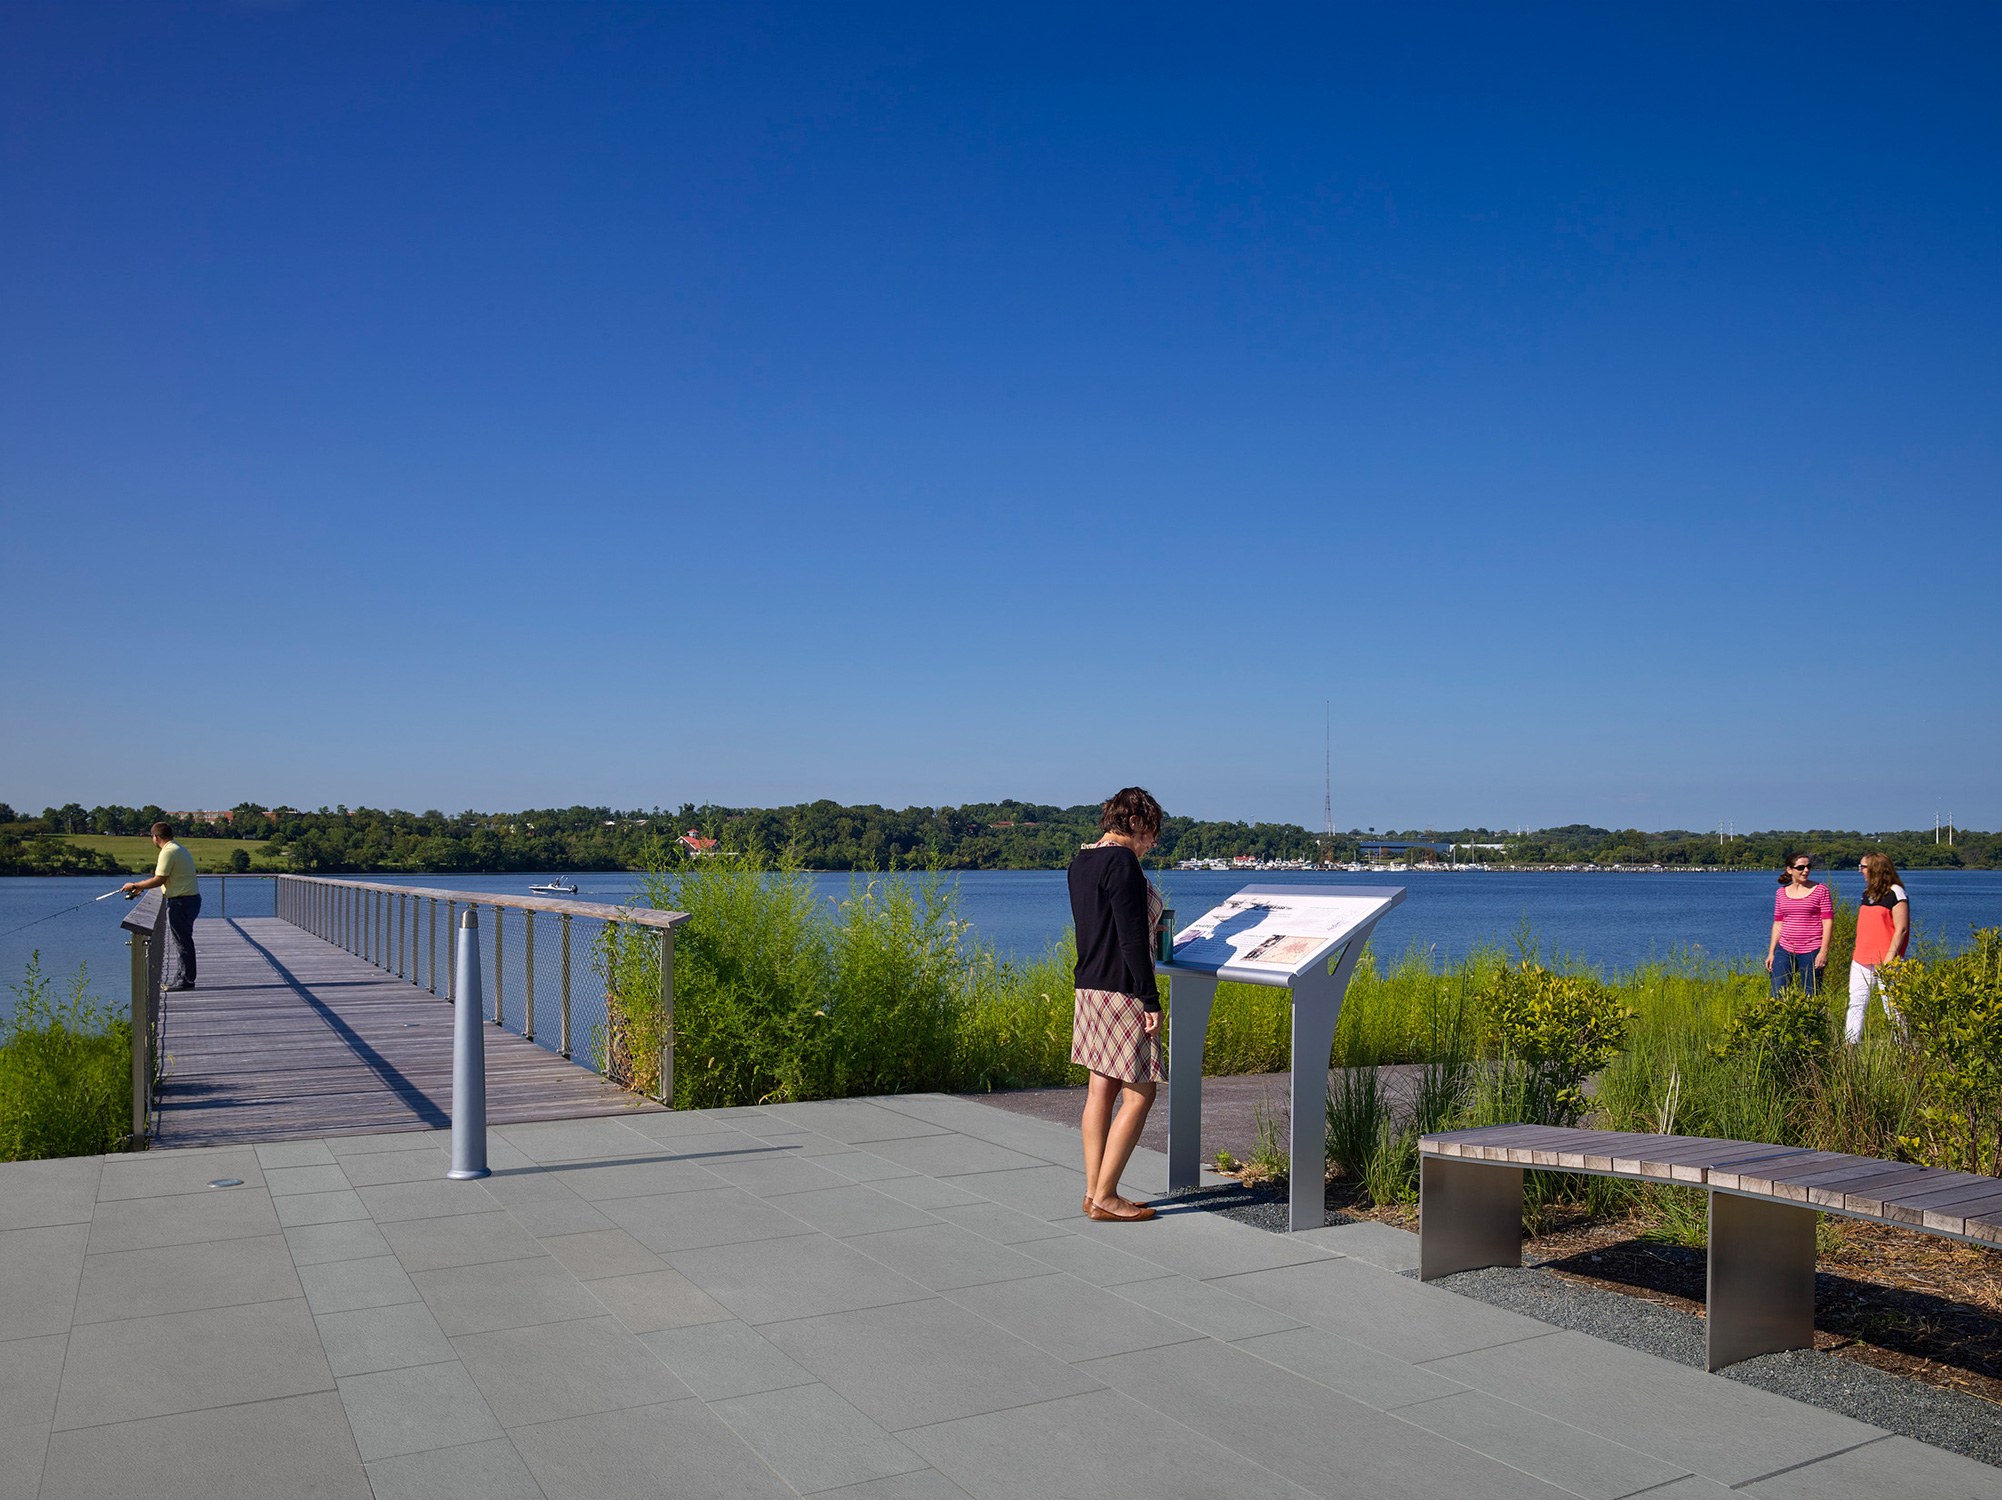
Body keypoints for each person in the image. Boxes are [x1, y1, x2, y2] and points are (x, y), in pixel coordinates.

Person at [1068, 787, 1167, 1223]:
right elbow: (1130, 937)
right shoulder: (1122, 862)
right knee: (1141, 1092)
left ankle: (1094, 1192)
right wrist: (1151, 997)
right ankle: (1107, 1195)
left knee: (1099, 1091)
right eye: (1152, 834)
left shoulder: (1081, 861)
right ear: (1137, 823)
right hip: (1122, 990)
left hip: (1088, 986)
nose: (1153, 844)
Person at [123, 821, 200, 990]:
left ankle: (186, 980)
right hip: (189, 900)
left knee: (182, 942)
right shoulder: (177, 848)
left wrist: (135, 885)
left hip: (181, 902)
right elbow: (166, 879)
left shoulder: (168, 852)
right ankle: (183, 978)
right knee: (183, 941)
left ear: (155, 837)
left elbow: (159, 879)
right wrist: (142, 887)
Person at [1846, 852, 1911, 1043]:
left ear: (1875, 869)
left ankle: (1903, 1048)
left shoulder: (1896, 893)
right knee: (1856, 1003)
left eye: (1863, 867)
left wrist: (1890, 959)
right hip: (1861, 959)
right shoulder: (1866, 894)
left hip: (1888, 960)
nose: (1860, 871)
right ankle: (1850, 1046)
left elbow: (1902, 929)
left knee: (1893, 1006)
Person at [1765, 853, 1832, 997]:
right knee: (1778, 993)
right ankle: (1777, 1020)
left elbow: (1827, 921)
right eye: (1801, 867)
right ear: (1790, 870)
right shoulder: (1781, 893)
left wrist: (1823, 951)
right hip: (1785, 948)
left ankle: (1811, 1020)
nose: (1806, 870)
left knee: (1811, 994)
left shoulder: (1821, 890)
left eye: (1808, 866)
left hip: (1812, 948)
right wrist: (1771, 952)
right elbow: (1778, 923)